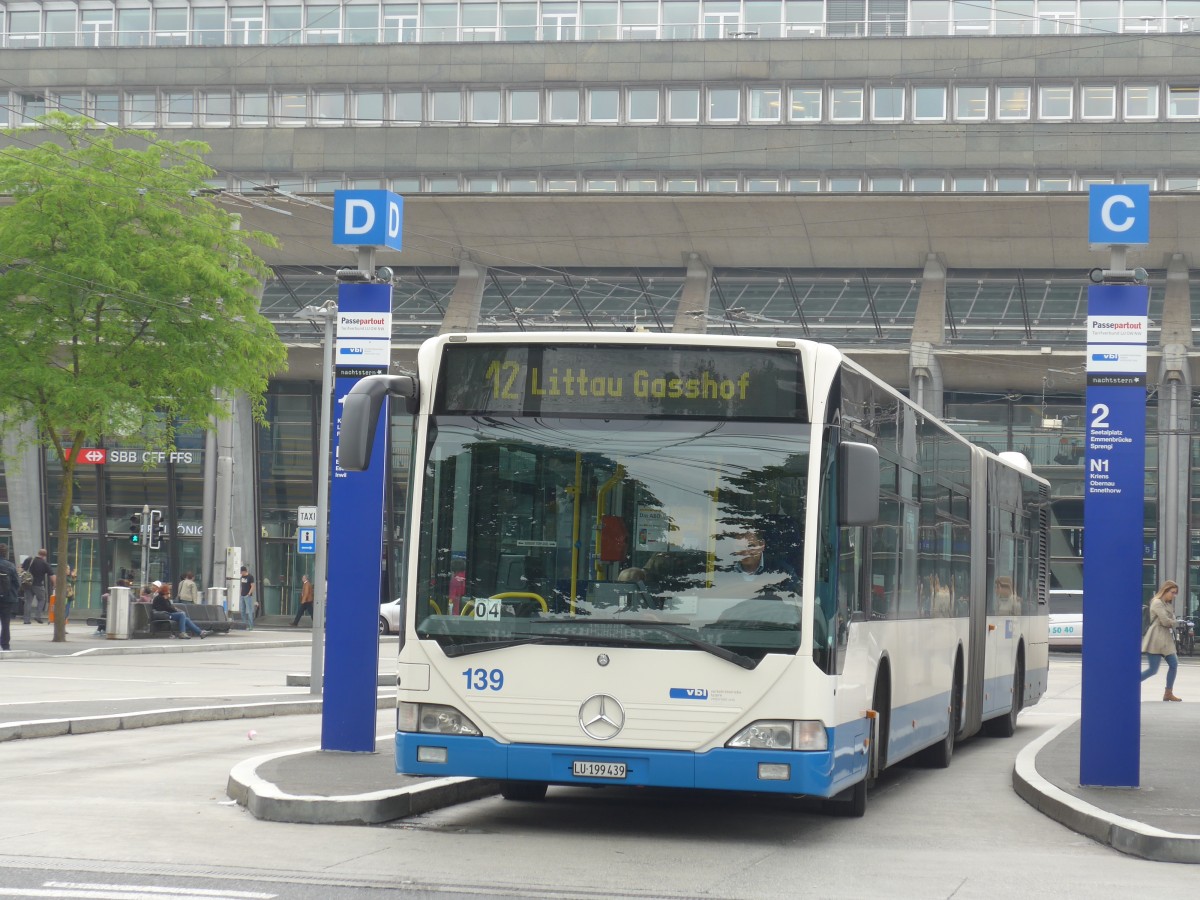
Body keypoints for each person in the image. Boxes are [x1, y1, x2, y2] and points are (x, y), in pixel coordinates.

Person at [1141, 580, 1182, 702]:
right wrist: (1173, 622)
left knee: (1174, 664)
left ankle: (1168, 693)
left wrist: (1171, 621)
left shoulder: (1168, 605)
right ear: (1165, 590)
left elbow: (1170, 620)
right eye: (1172, 592)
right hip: (1155, 638)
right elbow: (1166, 621)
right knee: (1153, 670)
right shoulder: (1157, 602)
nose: (1174, 595)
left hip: (1166, 639)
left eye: (1175, 593)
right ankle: (1130, 683)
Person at [0, 543, 21, 652]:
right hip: (7, 599)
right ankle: (5, 645)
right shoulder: (10, 566)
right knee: (5, 623)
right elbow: (17, 583)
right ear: (6, 553)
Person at [26, 548, 53, 625]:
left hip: (28, 584)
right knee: (41, 600)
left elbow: (21, 568)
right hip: (38, 585)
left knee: (28, 601)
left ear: (38, 553)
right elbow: (52, 575)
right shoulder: (44, 563)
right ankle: (38, 616)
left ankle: (26, 620)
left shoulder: (30, 560)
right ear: (45, 555)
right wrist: (54, 584)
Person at [239, 565, 256, 630]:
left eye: (241, 572)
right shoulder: (242, 577)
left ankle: (251, 626)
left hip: (247, 596)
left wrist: (249, 594)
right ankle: (244, 625)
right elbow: (242, 586)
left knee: (249, 611)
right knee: (242, 611)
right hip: (242, 595)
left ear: (244, 571)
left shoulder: (250, 577)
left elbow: (252, 586)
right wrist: (241, 593)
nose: (241, 573)